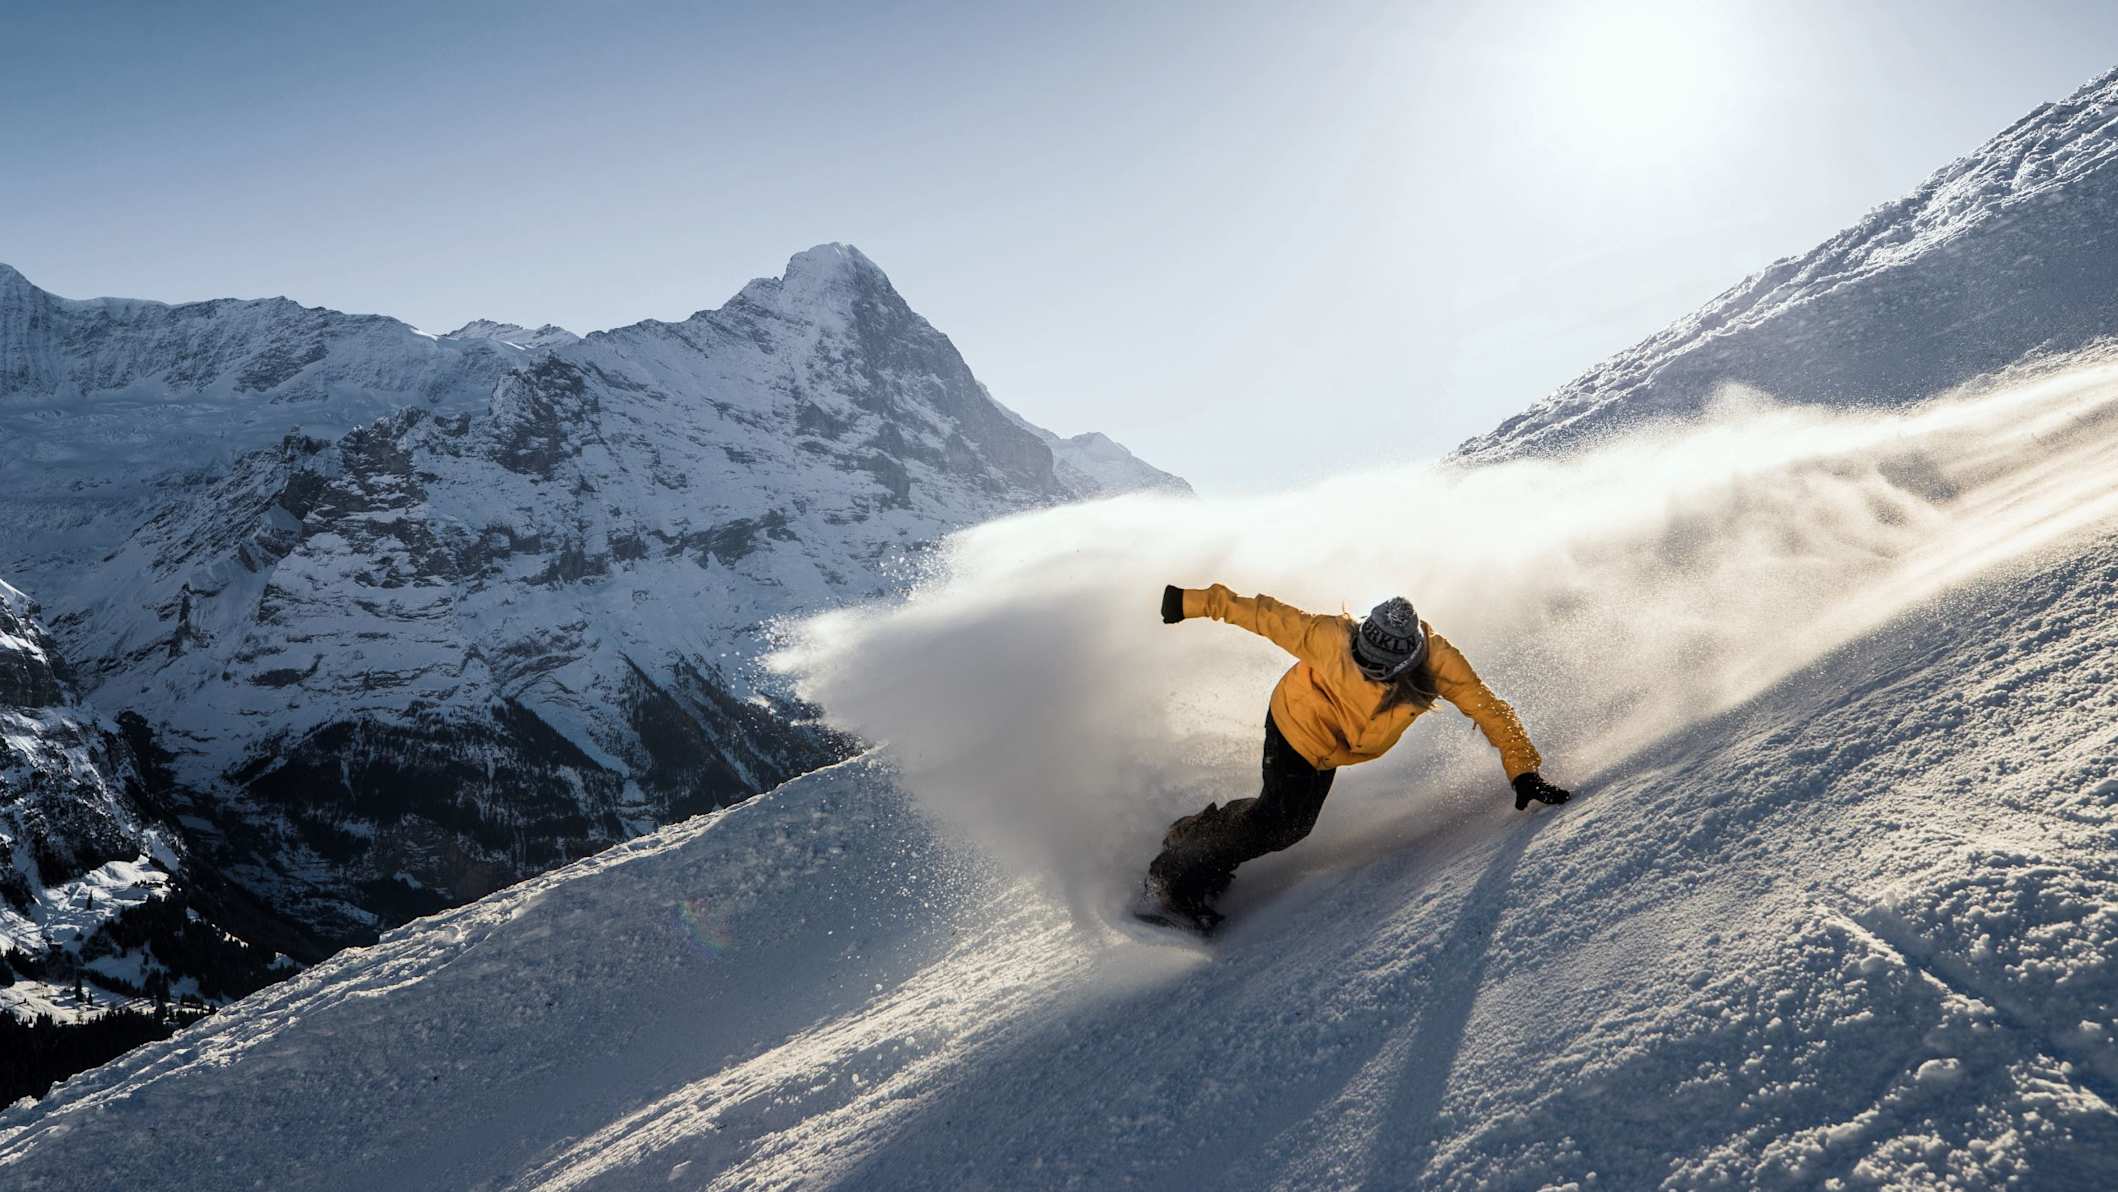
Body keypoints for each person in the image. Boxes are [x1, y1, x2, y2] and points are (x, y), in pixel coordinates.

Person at [1139, 583, 1571, 932]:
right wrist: (1188, 602)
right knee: (1282, 821)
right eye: (1362, 656)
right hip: (1297, 722)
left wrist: (1523, 770)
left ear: (1406, 661)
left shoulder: (1442, 665)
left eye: (1377, 667)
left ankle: (1199, 835)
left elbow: (1491, 710)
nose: (1363, 667)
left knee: (1286, 823)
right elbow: (1261, 613)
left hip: (1335, 750)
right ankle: (1174, 875)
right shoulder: (1332, 637)